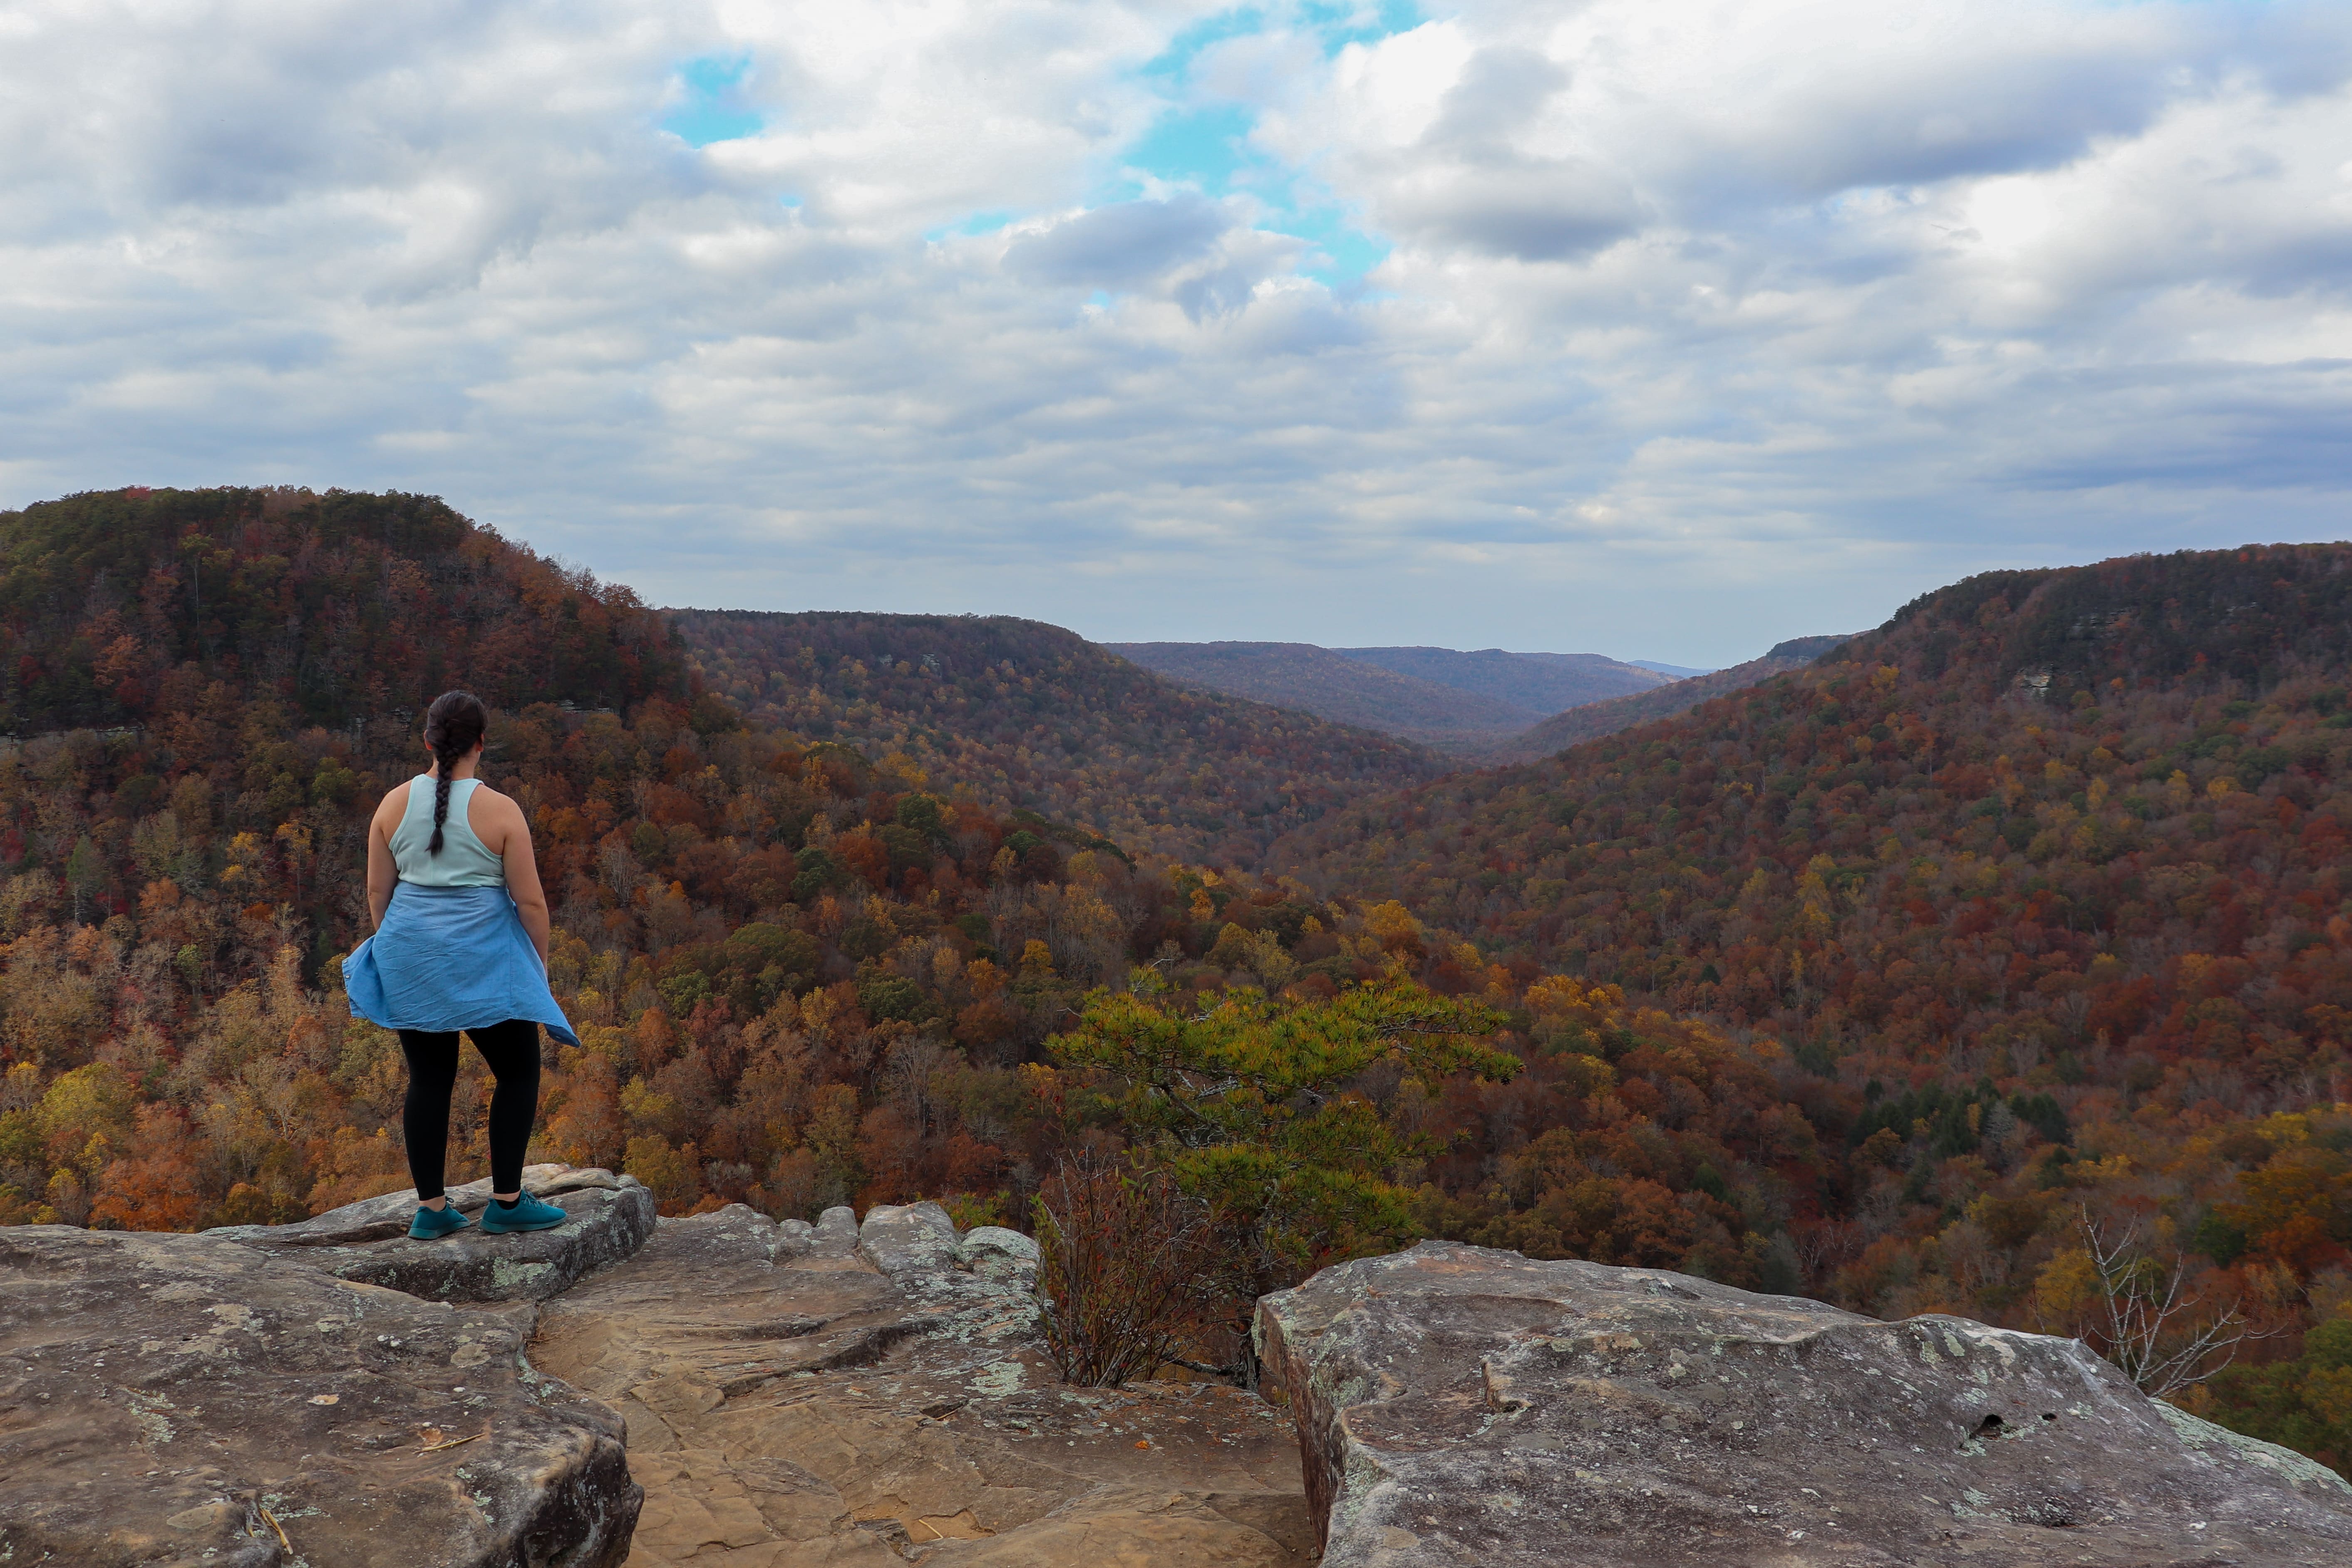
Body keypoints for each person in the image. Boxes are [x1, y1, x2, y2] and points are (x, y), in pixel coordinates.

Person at [344, 691, 580, 1241]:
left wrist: (400, 951)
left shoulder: (391, 805)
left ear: (427, 741)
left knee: (429, 1079)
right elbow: (531, 904)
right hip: (483, 957)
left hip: (409, 953)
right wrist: (535, 967)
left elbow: (379, 891)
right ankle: (506, 1202)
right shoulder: (501, 810)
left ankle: (431, 1209)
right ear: (481, 744)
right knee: (518, 1072)